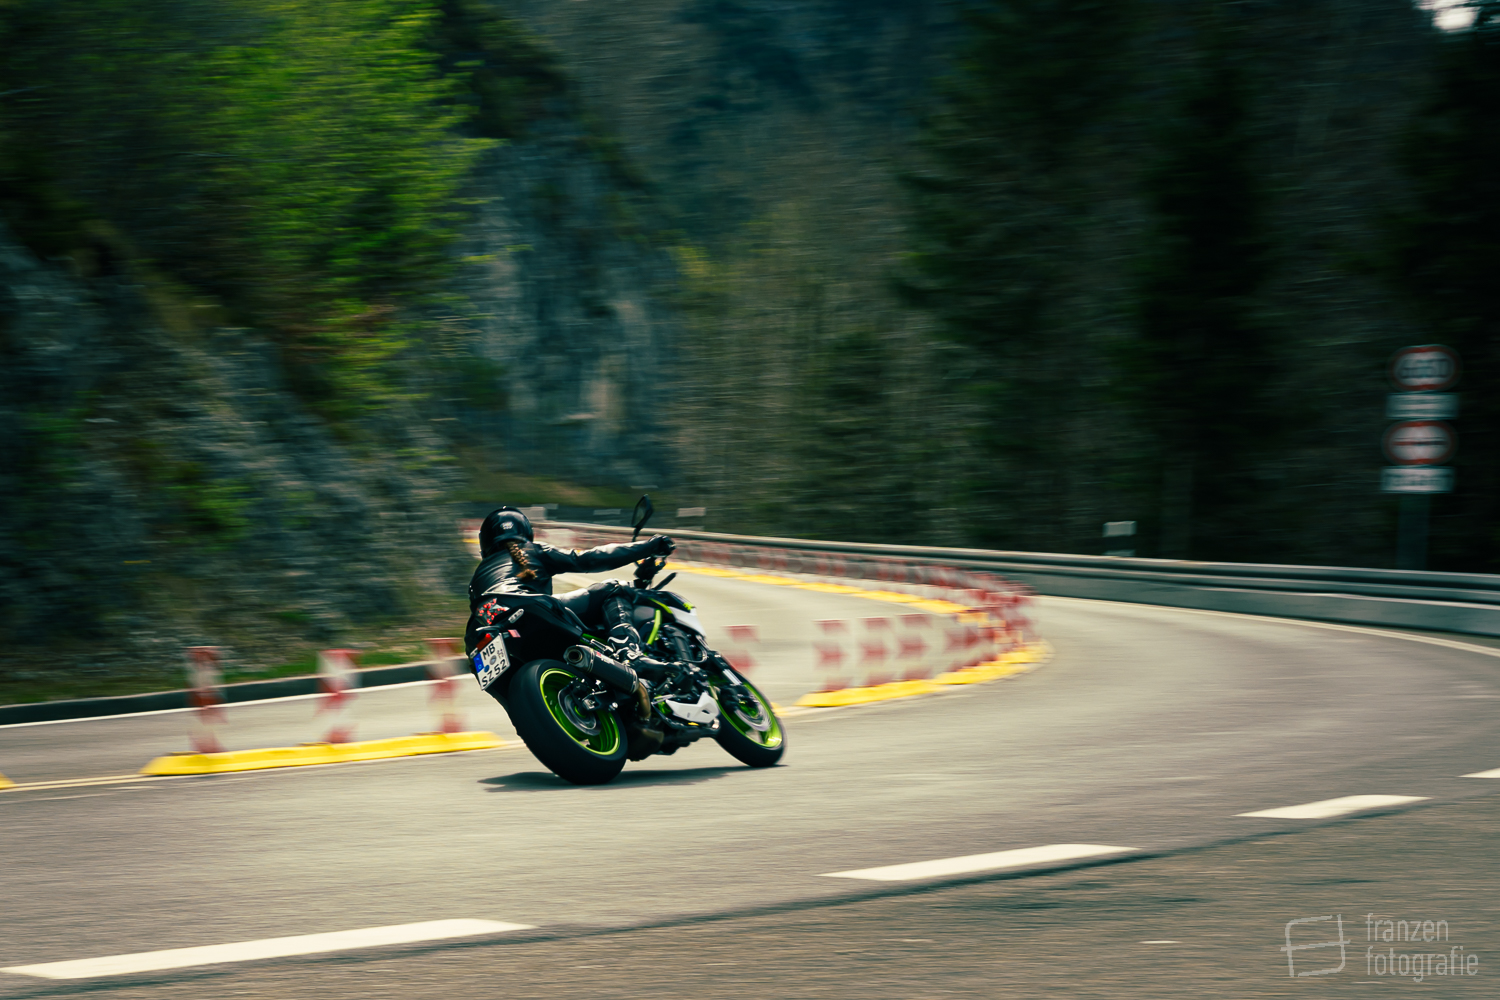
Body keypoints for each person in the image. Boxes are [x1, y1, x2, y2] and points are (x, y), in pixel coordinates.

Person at [464, 506, 676, 680]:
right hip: (527, 607)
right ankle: (629, 654)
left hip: (480, 631)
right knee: (613, 588)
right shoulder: (527, 551)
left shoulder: (477, 578)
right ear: (525, 532)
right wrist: (649, 547)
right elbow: (589, 559)